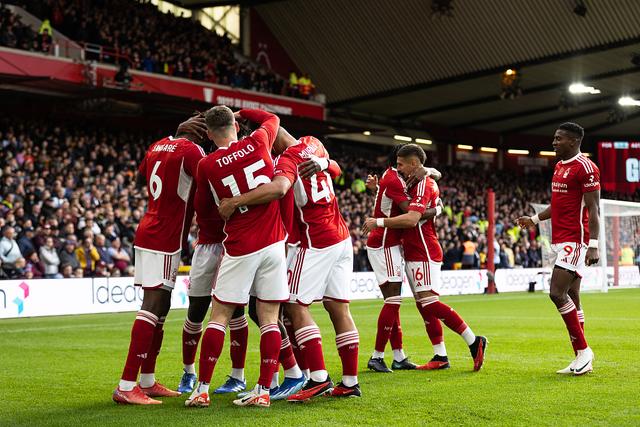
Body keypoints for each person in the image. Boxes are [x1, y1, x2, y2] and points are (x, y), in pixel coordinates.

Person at [217, 129, 361, 400]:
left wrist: (236, 202)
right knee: (338, 307)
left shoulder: (285, 161)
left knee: (294, 305)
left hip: (313, 240)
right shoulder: (313, 143)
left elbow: (280, 188)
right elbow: (336, 169)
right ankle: (350, 383)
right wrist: (324, 163)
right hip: (341, 237)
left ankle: (317, 378)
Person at [185, 107, 288, 408]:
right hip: (273, 243)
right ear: (235, 124)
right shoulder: (258, 140)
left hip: (240, 244)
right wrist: (243, 111)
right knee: (269, 318)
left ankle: (201, 388)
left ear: (207, 134)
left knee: (219, 316)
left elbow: (204, 209)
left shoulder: (207, 165)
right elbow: (273, 119)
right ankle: (263, 390)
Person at [363, 144, 488, 372]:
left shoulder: (420, 183)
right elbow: (401, 205)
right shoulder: (401, 179)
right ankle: (438, 355)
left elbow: (412, 217)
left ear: (412, 164)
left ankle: (473, 340)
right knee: (418, 304)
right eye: (398, 164)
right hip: (406, 248)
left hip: (423, 249)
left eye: (403, 164)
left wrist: (379, 220)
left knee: (426, 302)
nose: (400, 168)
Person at [112, 114, 208, 405]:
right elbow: (209, 179)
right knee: (152, 304)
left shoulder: (156, 146)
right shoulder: (192, 151)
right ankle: (127, 385)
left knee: (161, 305)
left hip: (149, 228)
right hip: (166, 234)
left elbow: (145, 175)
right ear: (200, 133)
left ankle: (147, 381)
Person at [517, 122, 599, 376]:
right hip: (560, 239)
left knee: (556, 293)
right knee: (573, 297)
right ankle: (581, 357)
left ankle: (584, 352)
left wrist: (593, 245)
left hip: (576, 239)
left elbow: (594, 209)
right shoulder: (559, 167)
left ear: (574, 141)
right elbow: (557, 205)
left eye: (558, 139)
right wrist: (533, 220)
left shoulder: (586, 168)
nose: (553, 143)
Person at [364, 145, 441, 373]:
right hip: (385, 243)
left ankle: (398, 356)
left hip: (389, 243)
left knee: (393, 302)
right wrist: (437, 209)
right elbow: (412, 215)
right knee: (393, 301)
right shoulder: (395, 180)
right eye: (399, 164)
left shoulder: (391, 177)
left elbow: (389, 203)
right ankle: (377, 356)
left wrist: (429, 171)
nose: (402, 168)